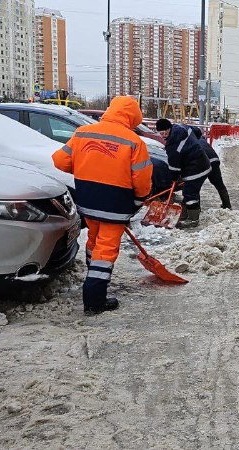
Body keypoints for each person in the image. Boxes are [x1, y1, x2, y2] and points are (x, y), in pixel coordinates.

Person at [52, 96, 153, 315]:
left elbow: (60, 161)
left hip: (87, 201)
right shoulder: (134, 142)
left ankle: (93, 273)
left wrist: (86, 170)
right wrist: (137, 201)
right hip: (115, 205)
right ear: (133, 117)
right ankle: (95, 298)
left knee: (94, 240)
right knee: (106, 248)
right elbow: (142, 181)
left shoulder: (83, 133)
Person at [155, 119, 212, 227]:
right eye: (161, 133)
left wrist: (174, 179)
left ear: (169, 128)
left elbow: (174, 167)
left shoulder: (173, 146)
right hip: (203, 161)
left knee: (189, 193)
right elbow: (197, 131)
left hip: (196, 169)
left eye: (165, 132)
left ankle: (193, 220)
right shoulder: (182, 127)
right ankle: (192, 212)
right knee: (192, 190)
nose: (163, 135)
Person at [189, 126, 232, 209]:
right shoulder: (202, 140)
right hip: (214, 161)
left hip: (203, 163)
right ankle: (227, 205)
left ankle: (196, 209)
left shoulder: (190, 142)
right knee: (219, 184)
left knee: (195, 187)